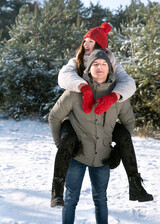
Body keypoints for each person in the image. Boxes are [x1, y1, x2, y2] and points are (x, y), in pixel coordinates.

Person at [50, 23, 153, 207]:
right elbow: (63, 77)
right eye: (85, 40)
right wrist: (83, 87)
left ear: (101, 45)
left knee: (122, 134)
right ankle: (57, 189)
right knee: (67, 139)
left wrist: (114, 96)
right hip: (79, 114)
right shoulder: (77, 60)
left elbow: (129, 83)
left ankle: (135, 184)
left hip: (103, 115)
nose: (86, 44)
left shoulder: (111, 61)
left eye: (91, 41)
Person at [48, 48, 136, 224]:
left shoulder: (118, 95)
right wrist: (63, 147)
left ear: (110, 68)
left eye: (104, 64)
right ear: (88, 69)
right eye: (95, 64)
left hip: (103, 158)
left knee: (101, 200)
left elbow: (129, 123)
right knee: (71, 199)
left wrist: (117, 151)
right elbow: (54, 117)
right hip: (77, 158)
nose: (100, 67)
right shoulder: (75, 92)